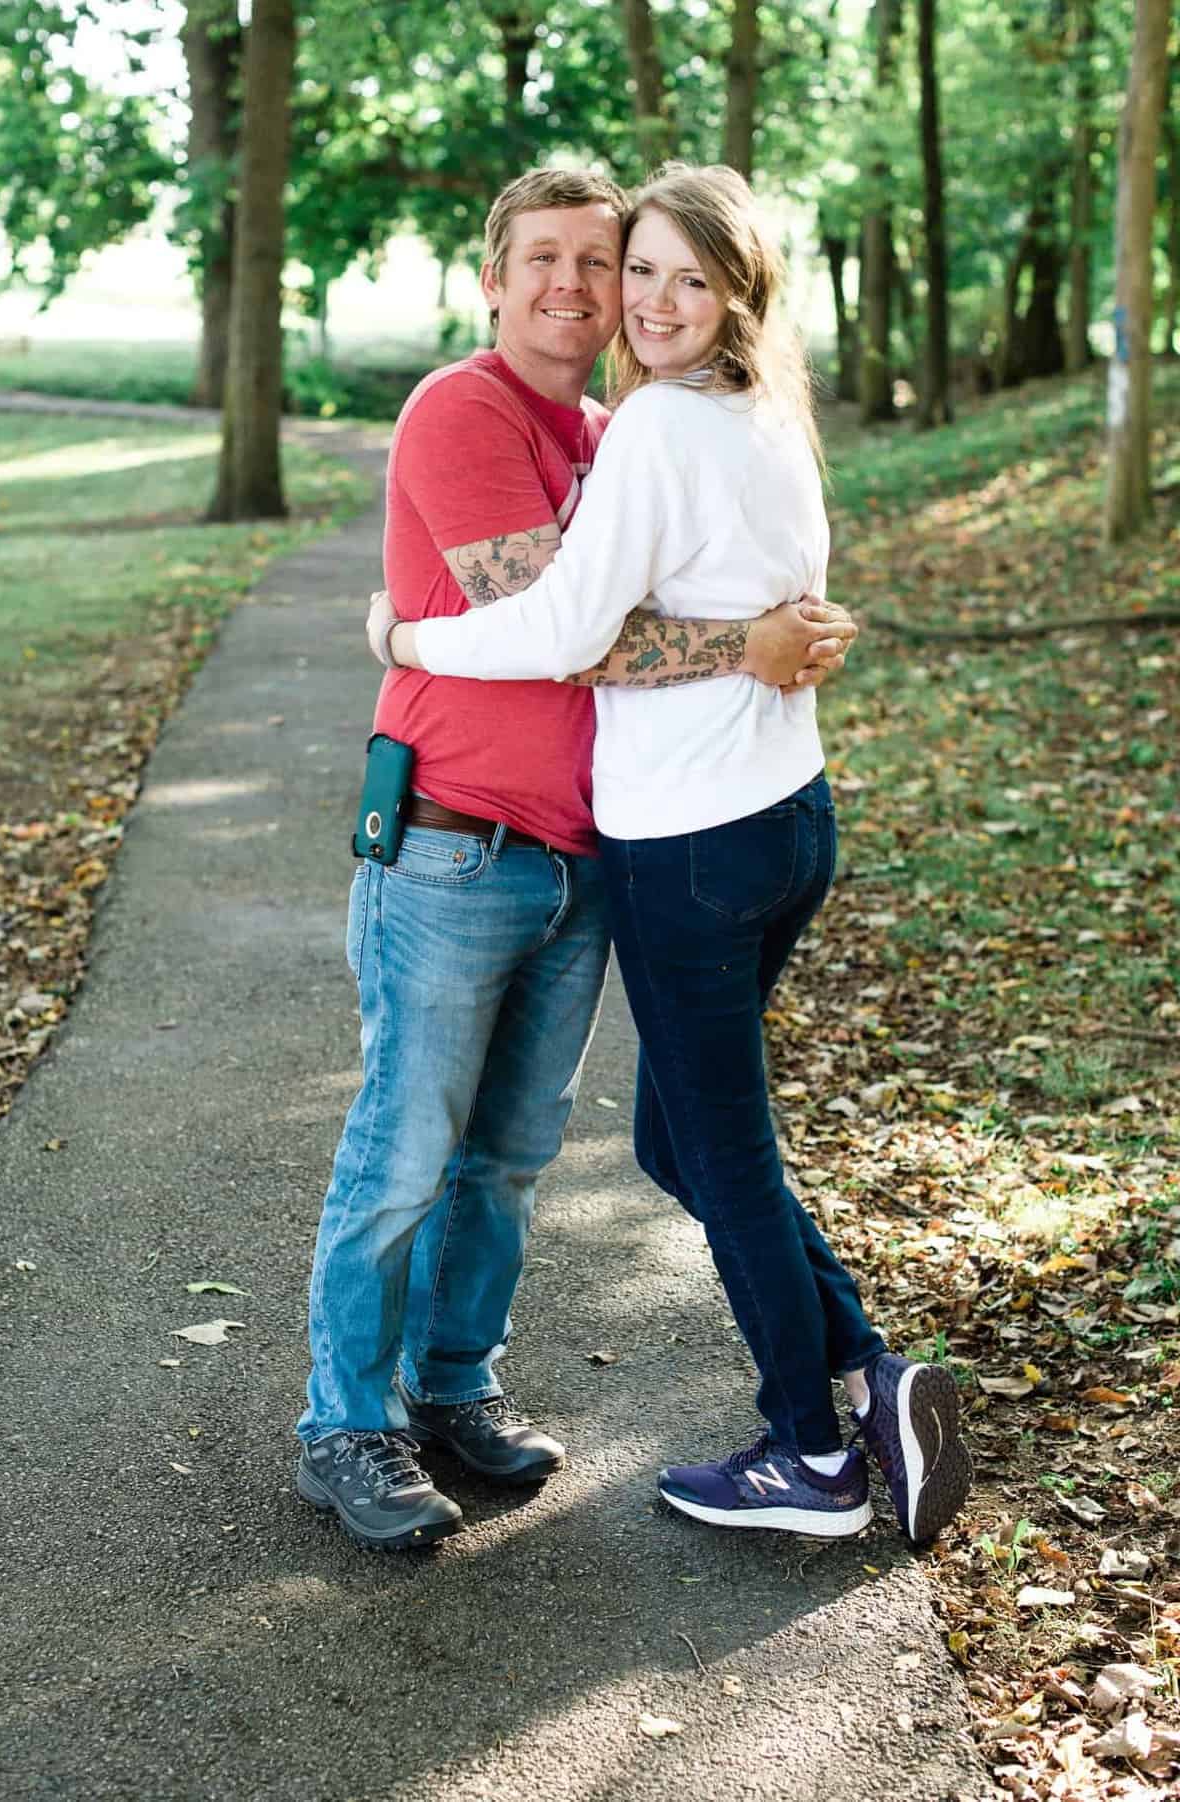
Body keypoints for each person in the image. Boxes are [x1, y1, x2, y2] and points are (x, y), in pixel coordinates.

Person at [380, 162, 972, 1546]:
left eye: (682, 278)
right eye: (635, 270)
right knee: (678, 1136)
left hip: (692, 849)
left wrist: (403, 638)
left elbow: (558, 632)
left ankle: (811, 1451)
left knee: (721, 1144)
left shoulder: (651, 432)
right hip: (789, 823)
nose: (645, 300)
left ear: (737, 291)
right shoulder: (767, 417)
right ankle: (878, 1379)